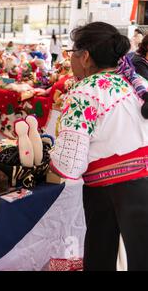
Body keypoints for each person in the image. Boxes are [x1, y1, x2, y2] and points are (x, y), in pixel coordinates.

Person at [50, 22, 148, 271]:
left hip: (111, 194)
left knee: (104, 257)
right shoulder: (137, 85)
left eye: (70, 53)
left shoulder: (84, 92)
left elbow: (69, 164)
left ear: (84, 57)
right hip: (139, 186)